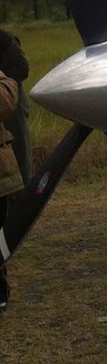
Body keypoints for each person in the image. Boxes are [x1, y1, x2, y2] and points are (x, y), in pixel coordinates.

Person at [0, 29, 30, 309]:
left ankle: (22, 212)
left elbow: (22, 68)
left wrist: (4, 80)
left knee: (19, 160)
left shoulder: (6, 38)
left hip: (11, 101)